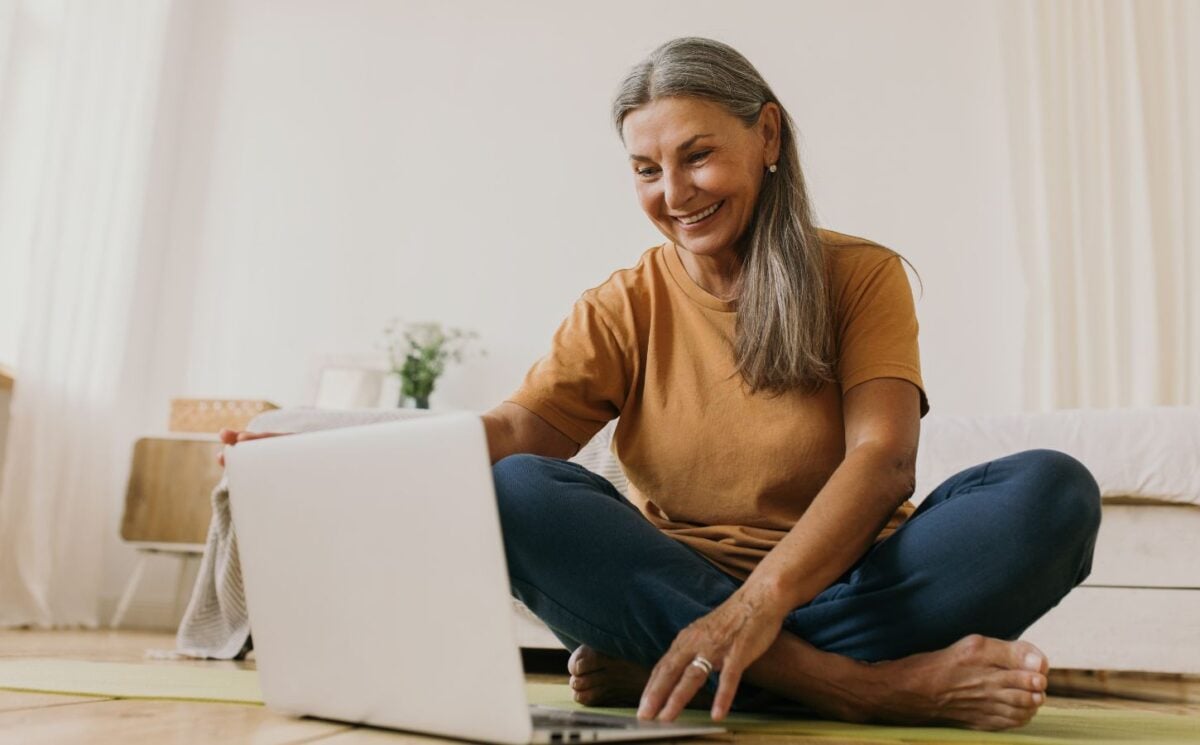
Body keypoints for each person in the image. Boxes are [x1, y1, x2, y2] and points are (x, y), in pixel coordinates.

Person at [222, 37, 1100, 733]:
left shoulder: (861, 277)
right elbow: (510, 435)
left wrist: (751, 614)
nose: (674, 192)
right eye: (647, 169)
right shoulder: (624, 304)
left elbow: (883, 464)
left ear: (768, 136)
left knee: (1050, 493)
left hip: (844, 583)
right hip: (667, 589)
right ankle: (858, 689)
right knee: (515, 490)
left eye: (697, 156)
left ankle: (678, 670)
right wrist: (323, 445)